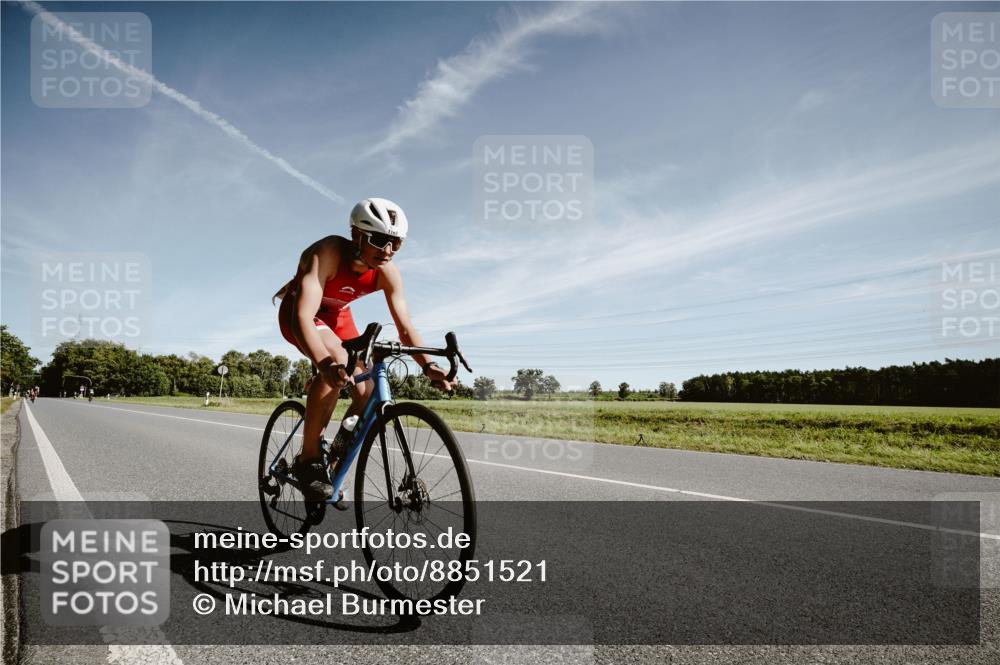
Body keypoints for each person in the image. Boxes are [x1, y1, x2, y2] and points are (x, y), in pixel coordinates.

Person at [274, 197, 454, 500]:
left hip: (338, 315)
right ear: (357, 235)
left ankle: (334, 462)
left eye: (396, 243)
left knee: (367, 391)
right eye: (380, 240)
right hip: (300, 313)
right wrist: (324, 364)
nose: (388, 250)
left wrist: (428, 366)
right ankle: (308, 459)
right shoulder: (327, 252)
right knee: (337, 362)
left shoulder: (388, 272)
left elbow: (405, 328)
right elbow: (304, 317)